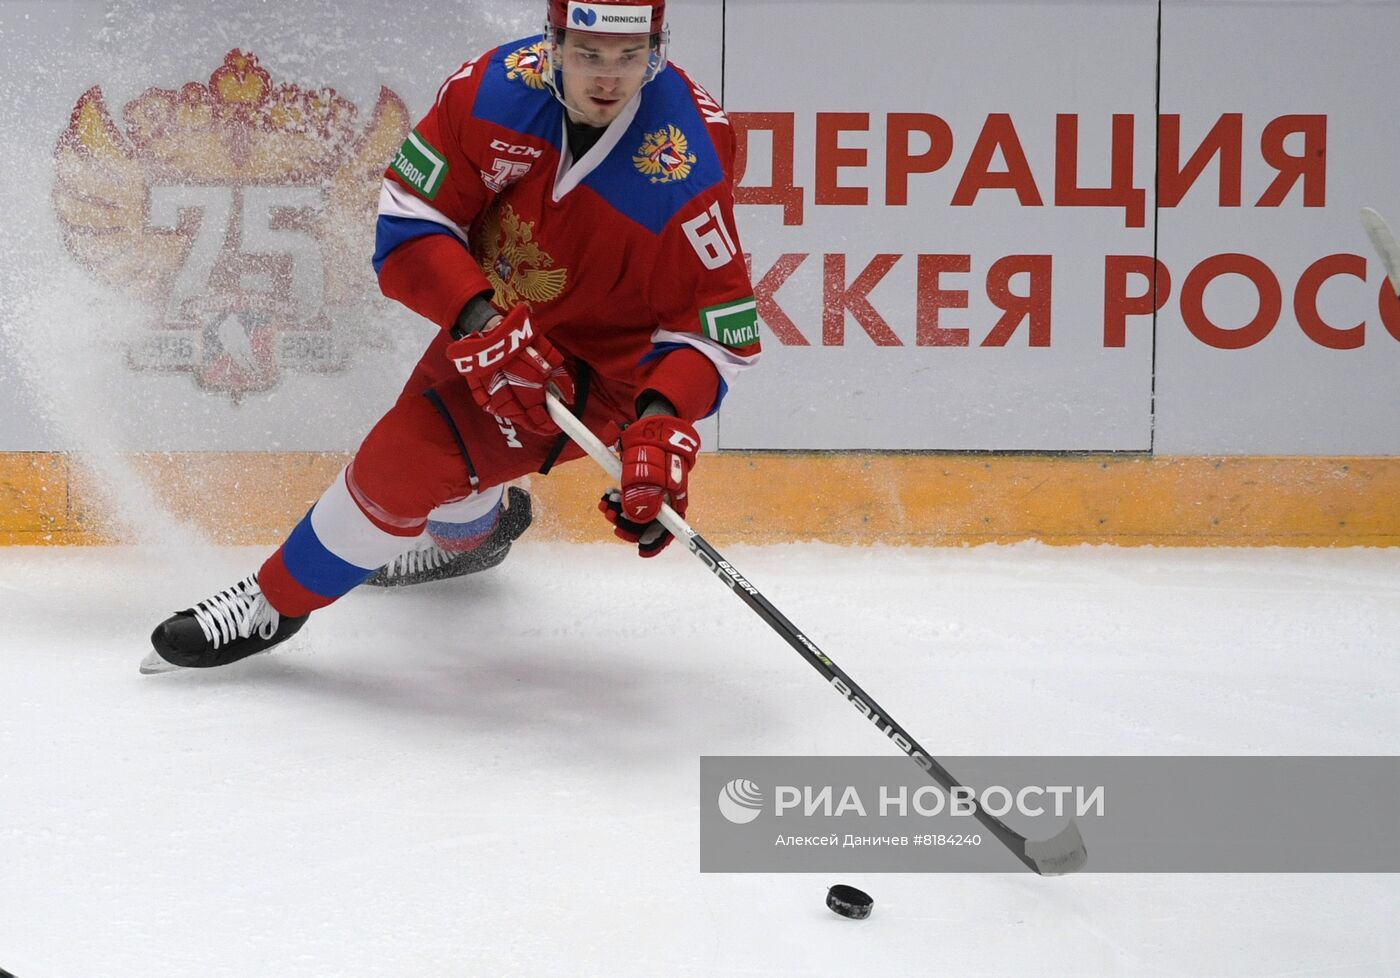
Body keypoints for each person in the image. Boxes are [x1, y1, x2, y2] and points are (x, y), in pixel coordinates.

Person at [141, 0, 760, 673]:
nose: (608, 78)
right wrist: (482, 324)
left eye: (628, 56)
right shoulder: (492, 93)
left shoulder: (686, 165)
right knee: (453, 488)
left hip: (597, 375)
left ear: (655, 51)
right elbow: (410, 220)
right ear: (552, 45)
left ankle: (270, 601)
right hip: (495, 316)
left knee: (401, 464)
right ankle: (478, 532)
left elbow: (714, 326)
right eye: (588, 55)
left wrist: (658, 424)